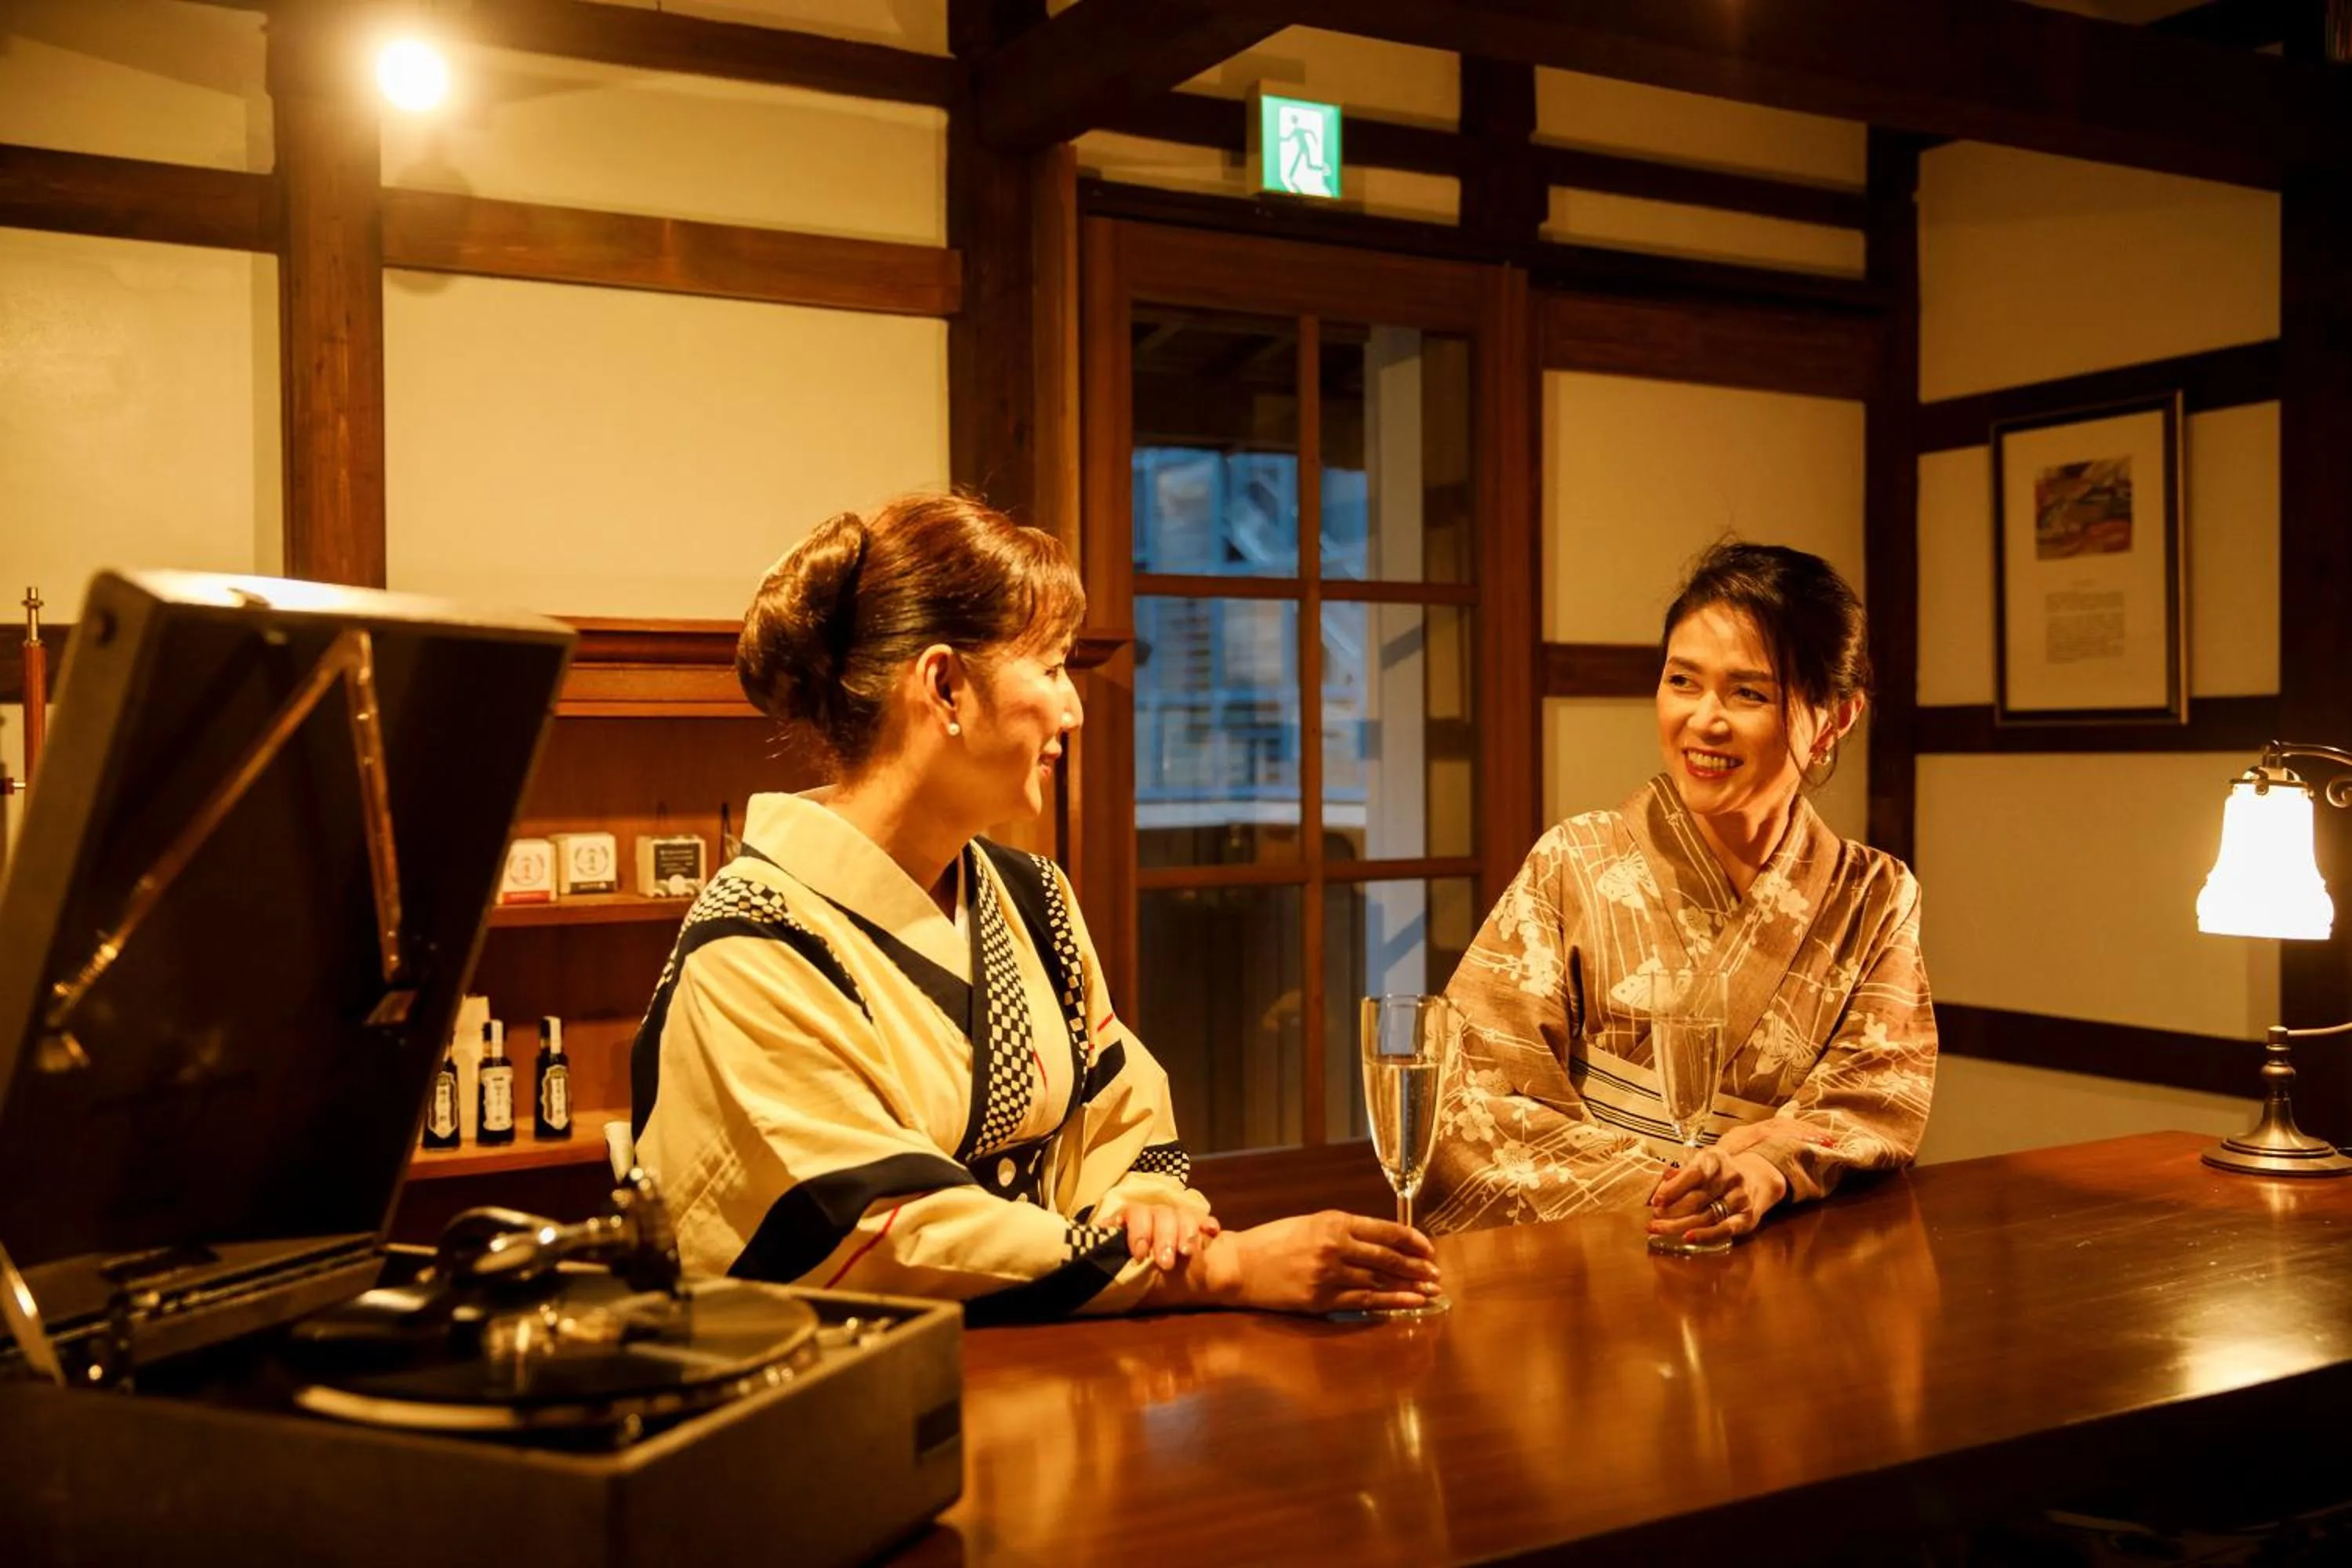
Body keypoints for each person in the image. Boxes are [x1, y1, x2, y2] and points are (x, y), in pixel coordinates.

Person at [632, 493, 1441, 1321]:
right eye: (1051, 667)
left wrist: (1143, 1200)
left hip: (1053, 1365)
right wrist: (1213, 1270)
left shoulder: (1031, 895)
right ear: (944, 684)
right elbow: (877, 1232)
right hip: (842, 1397)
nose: (1073, 708)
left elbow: (1121, 1109)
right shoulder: (753, 945)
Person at [1422, 541, 1936, 1245]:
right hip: (1593, 1270)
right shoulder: (1575, 862)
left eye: (1749, 692)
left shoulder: (1873, 896)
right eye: (1683, 681)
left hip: (1772, 1255)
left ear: (1835, 718)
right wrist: (1684, 1194)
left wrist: (1766, 1174)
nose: (1705, 720)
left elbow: (1873, 1102)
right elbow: (1476, 1103)